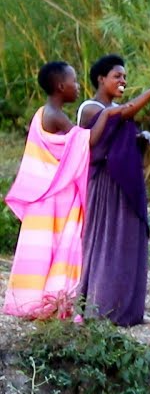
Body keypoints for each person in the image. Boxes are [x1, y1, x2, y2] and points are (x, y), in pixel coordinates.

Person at [3, 62, 109, 319]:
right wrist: (109, 114)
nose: (77, 86)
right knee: (56, 245)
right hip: (52, 196)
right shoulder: (54, 115)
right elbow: (86, 142)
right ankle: (53, 300)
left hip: (43, 195)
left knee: (39, 249)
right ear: (61, 86)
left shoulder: (43, 112)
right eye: (73, 81)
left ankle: (31, 300)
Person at [76, 55, 150, 325]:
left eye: (125, 77)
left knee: (128, 242)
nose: (122, 81)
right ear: (101, 79)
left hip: (124, 184)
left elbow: (120, 134)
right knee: (106, 244)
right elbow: (113, 122)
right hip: (104, 185)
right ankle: (101, 308)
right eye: (117, 76)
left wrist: (140, 138)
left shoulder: (115, 108)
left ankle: (128, 309)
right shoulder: (90, 108)